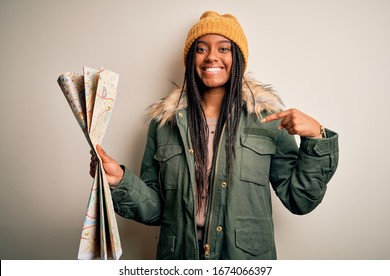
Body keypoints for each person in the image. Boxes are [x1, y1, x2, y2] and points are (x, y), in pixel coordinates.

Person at [90, 11, 339, 260]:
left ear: (238, 57)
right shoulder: (164, 123)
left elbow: (300, 200)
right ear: (190, 58)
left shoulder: (267, 121)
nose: (211, 57)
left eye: (224, 49)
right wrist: (119, 180)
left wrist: (316, 137)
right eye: (201, 49)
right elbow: (156, 210)